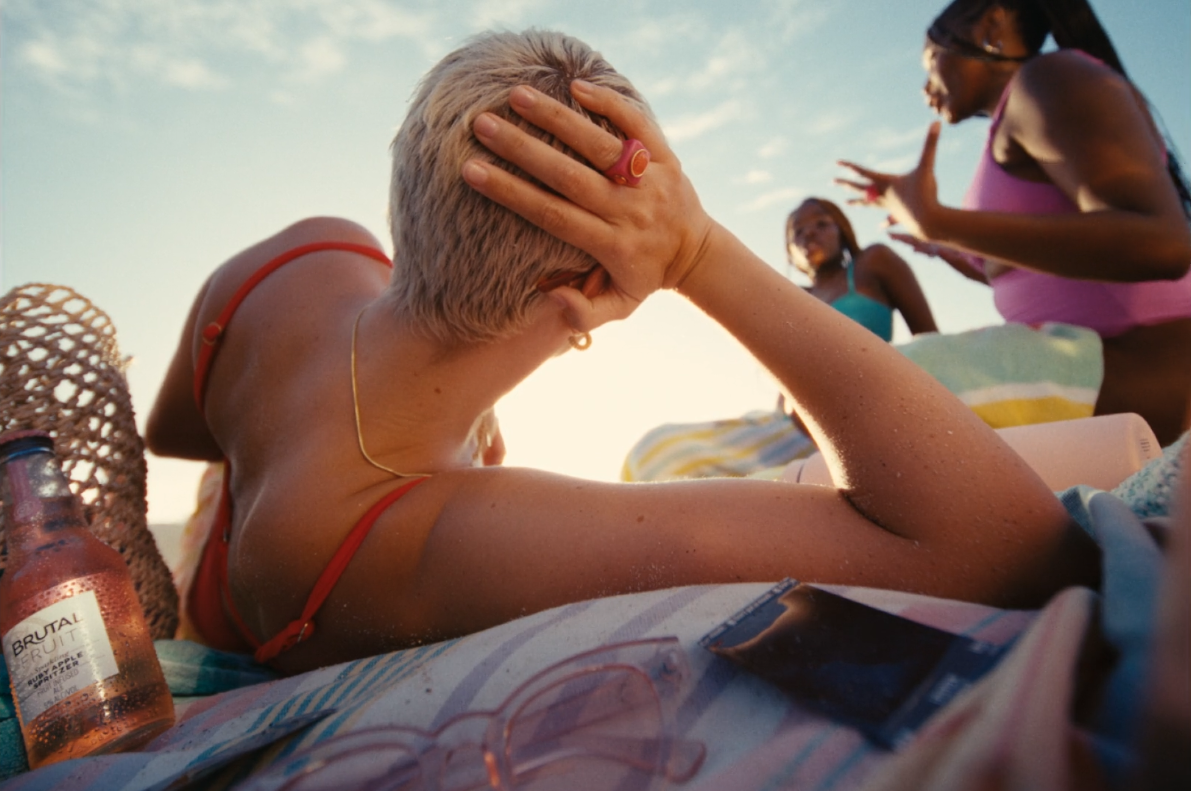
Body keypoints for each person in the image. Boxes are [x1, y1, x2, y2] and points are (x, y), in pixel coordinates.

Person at [147, 30, 1096, 676]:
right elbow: (1011, 549)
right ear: (592, 289)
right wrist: (696, 252)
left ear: (412, 180)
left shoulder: (300, 259)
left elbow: (176, 432)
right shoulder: (435, 541)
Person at [837, 0, 1191, 446]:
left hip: (1142, 365)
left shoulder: (1050, 78)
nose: (926, 88)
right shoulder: (1021, 111)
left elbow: (1163, 244)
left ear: (992, 23)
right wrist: (948, 248)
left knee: (851, 386)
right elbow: (1046, 276)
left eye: (931, 62)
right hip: (1094, 364)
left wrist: (940, 222)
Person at [786, 198, 938, 341]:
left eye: (822, 223)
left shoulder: (873, 262)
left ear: (842, 230)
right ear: (790, 251)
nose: (809, 233)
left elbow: (931, 340)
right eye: (798, 231)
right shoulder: (792, 297)